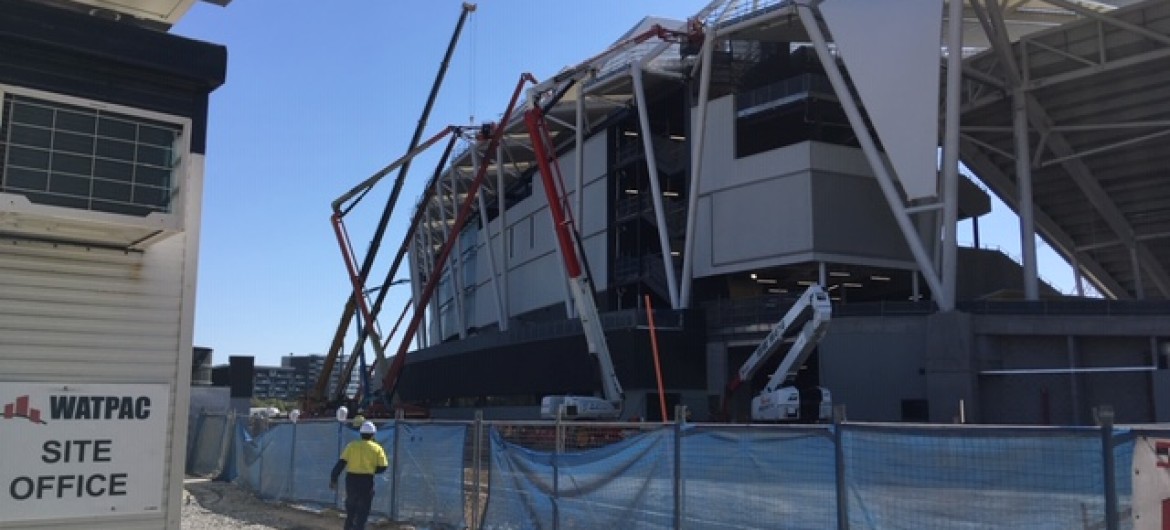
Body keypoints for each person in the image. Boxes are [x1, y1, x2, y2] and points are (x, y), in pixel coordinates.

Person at [330, 421, 389, 530]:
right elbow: (383, 467)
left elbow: (341, 463)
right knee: (363, 511)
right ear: (373, 434)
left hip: (351, 480)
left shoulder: (351, 446)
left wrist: (334, 478)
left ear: (360, 434)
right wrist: (371, 469)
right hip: (366, 481)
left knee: (351, 510)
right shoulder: (377, 448)